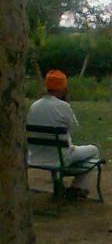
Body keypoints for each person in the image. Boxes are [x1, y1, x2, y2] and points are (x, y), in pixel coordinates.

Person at [27, 69, 100, 199]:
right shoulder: (63, 106)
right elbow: (73, 127)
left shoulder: (34, 105)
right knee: (94, 150)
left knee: (56, 150)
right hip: (61, 158)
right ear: (63, 88)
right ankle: (78, 187)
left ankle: (58, 183)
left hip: (35, 156)